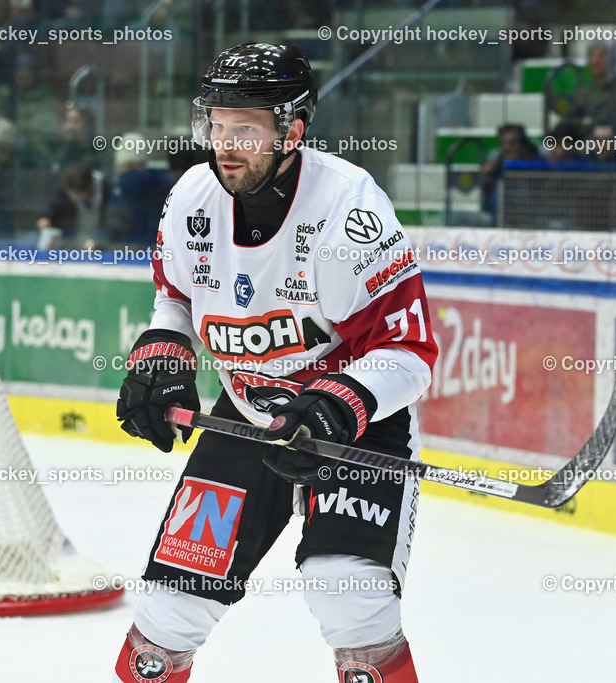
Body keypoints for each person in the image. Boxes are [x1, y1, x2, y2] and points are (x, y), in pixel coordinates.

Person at [114, 43, 438, 682]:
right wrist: (163, 350)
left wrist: (337, 405)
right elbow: (175, 296)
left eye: (246, 128)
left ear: (292, 131)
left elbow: (408, 351)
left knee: (347, 593)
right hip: (248, 412)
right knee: (169, 612)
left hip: (352, 422)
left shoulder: (348, 210)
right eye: (216, 124)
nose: (225, 144)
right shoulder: (192, 198)